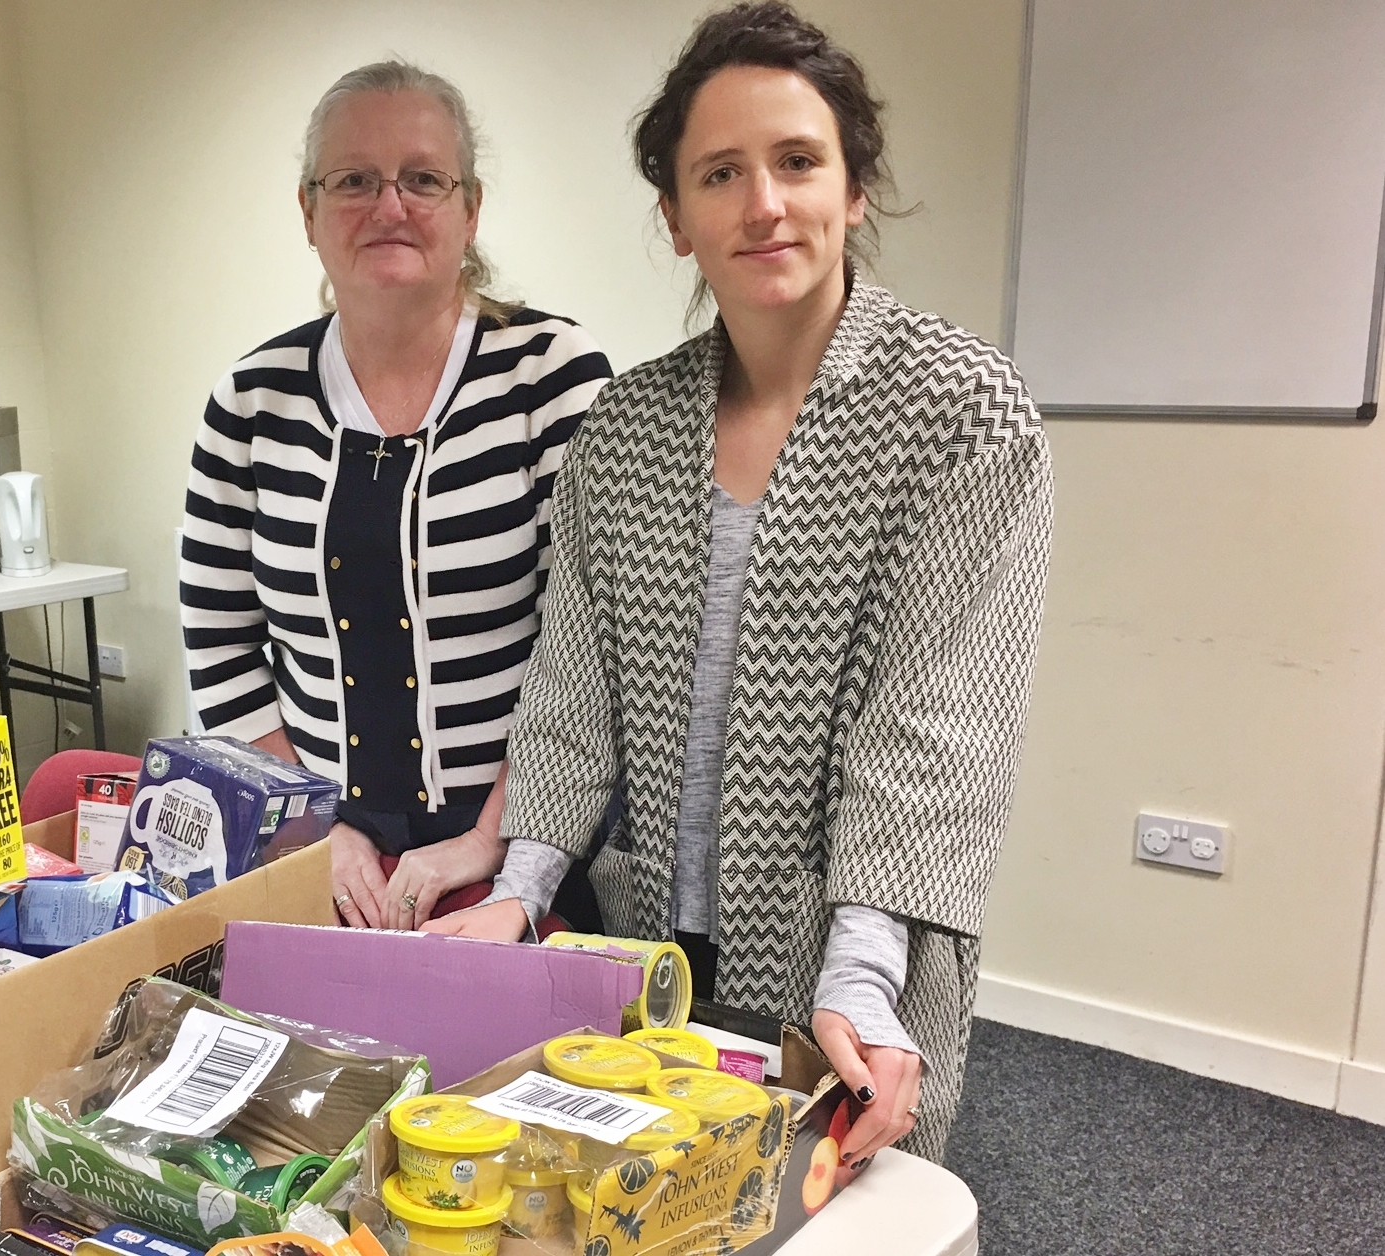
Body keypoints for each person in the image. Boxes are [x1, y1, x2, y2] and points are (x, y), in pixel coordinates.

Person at [426, 2, 1052, 1167]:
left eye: (798, 161)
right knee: (632, 1201)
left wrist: (863, 977)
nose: (763, 204)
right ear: (676, 218)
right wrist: (521, 888)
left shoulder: (962, 416)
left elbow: (937, 732)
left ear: (853, 187)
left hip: (846, 959)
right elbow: (570, 689)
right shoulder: (623, 428)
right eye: (720, 173)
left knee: (819, 1216)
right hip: (644, 939)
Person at [179, 62, 612, 933]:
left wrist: (493, 840)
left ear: (470, 208)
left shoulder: (551, 376)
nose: (389, 206)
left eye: (422, 178)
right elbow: (222, 644)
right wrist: (308, 826)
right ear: (308, 211)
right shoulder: (252, 401)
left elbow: (597, 652)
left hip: (528, 853)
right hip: (317, 852)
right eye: (353, 181)